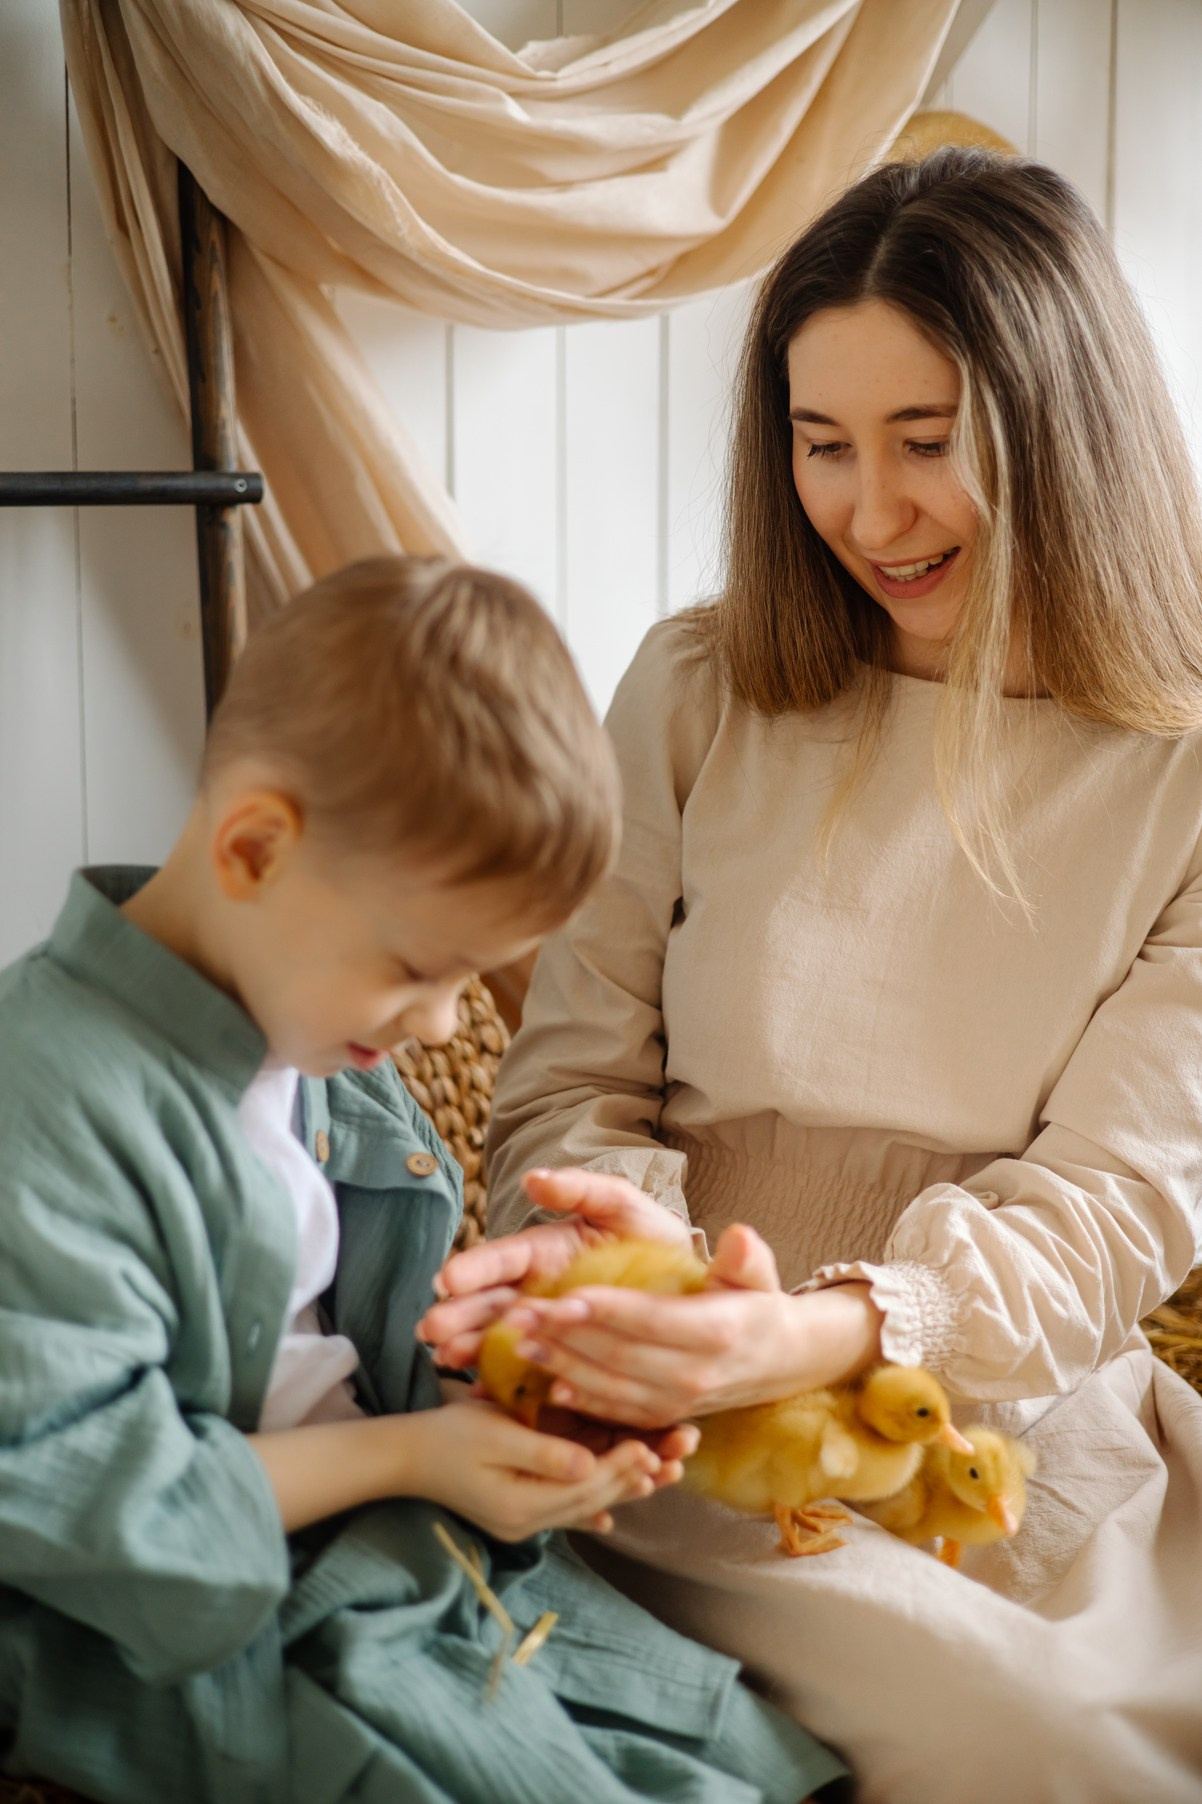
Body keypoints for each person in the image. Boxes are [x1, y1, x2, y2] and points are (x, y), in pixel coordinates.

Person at [421, 148, 1202, 1803]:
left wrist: (829, 1330)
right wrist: (658, 1297)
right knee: (1040, 1748)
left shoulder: (1179, 764)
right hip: (676, 1412)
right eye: (819, 441)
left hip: (1004, 1415)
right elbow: (564, 1085)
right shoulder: (695, 686)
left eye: (926, 440)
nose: (866, 512)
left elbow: (1121, 1195)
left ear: (1059, 430)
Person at [0, 556, 846, 1804]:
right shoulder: (45, 1098)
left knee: (747, 1759)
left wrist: (508, 1390)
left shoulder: (309, 1043)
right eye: (417, 970)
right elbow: (90, 1496)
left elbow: (330, 1352)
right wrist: (411, 1457)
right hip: (199, 1638)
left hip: (408, 1552)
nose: (447, 1027)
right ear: (254, 847)